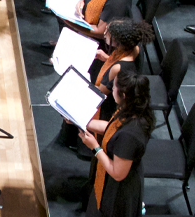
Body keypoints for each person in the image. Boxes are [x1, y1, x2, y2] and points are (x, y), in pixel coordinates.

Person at [76, 72, 154, 217]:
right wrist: (82, 120)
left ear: (124, 94)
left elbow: (117, 173)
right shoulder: (130, 111)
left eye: (115, 87)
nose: (112, 88)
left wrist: (95, 147)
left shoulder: (131, 134)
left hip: (120, 192)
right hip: (113, 183)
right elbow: (109, 127)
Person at [57, 19, 153, 153]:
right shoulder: (133, 48)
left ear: (118, 41)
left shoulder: (117, 68)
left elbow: (99, 93)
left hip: (109, 103)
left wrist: (76, 85)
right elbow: (117, 60)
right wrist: (106, 58)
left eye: (109, 33)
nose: (105, 34)